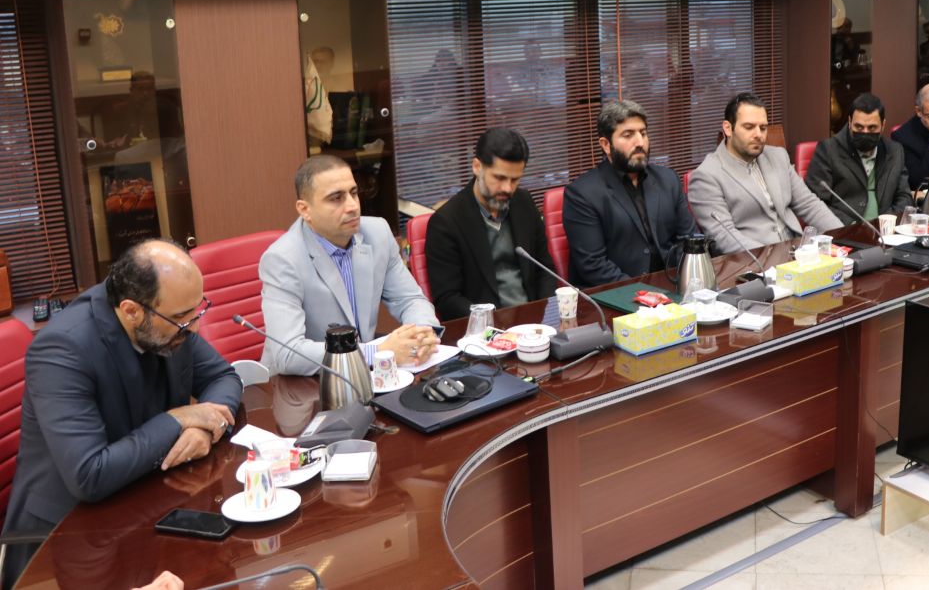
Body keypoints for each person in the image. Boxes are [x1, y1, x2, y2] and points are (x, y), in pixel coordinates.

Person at [2, 240, 242, 587]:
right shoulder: (63, 349)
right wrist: (178, 420)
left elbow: (223, 378)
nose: (194, 329)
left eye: (197, 311)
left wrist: (206, 427)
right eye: (181, 318)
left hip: (144, 500)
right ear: (131, 311)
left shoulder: (168, 318)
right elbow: (90, 475)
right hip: (66, 539)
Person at [259, 155, 441, 376]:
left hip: (364, 376)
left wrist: (422, 334)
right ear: (305, 209)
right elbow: (288, 353)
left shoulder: (378, 233)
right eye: (336, 198)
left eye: (353, 193)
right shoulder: (282, 259)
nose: (353, 206)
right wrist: (376, 352)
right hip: (303, 384)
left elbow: (410, 299)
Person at [425, 129, 557, 321]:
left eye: (515, 180)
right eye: (499, 178)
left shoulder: (524, 203)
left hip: (533, 323)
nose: (508, 188)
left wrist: (544, 316)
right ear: (477, 167)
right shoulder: (446, 222)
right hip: (485, 329)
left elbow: (545, 270)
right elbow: (447, 299)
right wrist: (494, 322)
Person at [562, 100, 698, 286]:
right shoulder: (582, 194)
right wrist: (644, 295)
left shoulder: (668, 180)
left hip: (672, 285)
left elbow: (688, 240)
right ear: (606, 145)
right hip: (616, 293)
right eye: (628, 135)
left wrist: (687, 282)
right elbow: (594, 266)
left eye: (643, 133)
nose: (640, 142)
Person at [689, 93, 840, 253]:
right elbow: (724, 237)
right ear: (728, 128)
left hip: (800, 252)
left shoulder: (778, 156)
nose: (758, 135)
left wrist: (843, 237)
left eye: (763, 128)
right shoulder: (706, 176)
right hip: (755, 261)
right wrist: (776, 258)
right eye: (749, 127)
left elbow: (809, 204)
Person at [805, 93, 912, 224]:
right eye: (859, 127)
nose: (865, 132)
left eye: (872, 127)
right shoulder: (828, 150)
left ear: (883, 125)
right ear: (850, 122)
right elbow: (815, 203)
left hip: (886, 230)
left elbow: (904, 197)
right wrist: (852, 226)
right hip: (845, 229)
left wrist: (888, 222)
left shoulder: (894, 151)